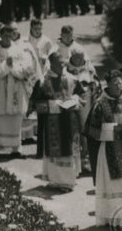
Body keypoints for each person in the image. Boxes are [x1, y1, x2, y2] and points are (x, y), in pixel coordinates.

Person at [85, 70, 122, 231]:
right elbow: (92, 130)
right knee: (116, 185)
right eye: (115, 84)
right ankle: (116, 217)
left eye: (120, 83)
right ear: (108, 85)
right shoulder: (100, 104)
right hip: (110, 149)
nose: (119, 86)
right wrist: (114, 129)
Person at [0, 23, 36, 158]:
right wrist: (6, 66)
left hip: (16, 91)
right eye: (5, 35)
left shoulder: (18, 50)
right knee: (0, 119)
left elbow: (27, 70)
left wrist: (14, 69)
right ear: (0, 35)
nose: (8, 38)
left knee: (15, 119)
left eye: (10, 35)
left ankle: (16, 149)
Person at [32, 50, 84, 189]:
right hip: (53, 124)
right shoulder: (43, 82)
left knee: (70, 150)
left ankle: (68, 181)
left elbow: (82, 96)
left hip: (70, 122)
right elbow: (36, 105)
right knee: (56, 151)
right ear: (51, 64)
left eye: (63, 63)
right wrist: (52, 105)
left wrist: (75, 99)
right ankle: (56, 180)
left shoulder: (72, 79)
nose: (62, 66)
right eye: (59, 64)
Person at [67, 49, 100, 176]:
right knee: (73, 130)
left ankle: (87, 161)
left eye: (80, 56)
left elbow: (96, 85)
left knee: (86, 129)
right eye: (75, 57)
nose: (78, 59)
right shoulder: (66, 69)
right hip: (70, 103)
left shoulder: (89, 68)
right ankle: (75, 163)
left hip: (86, 103)